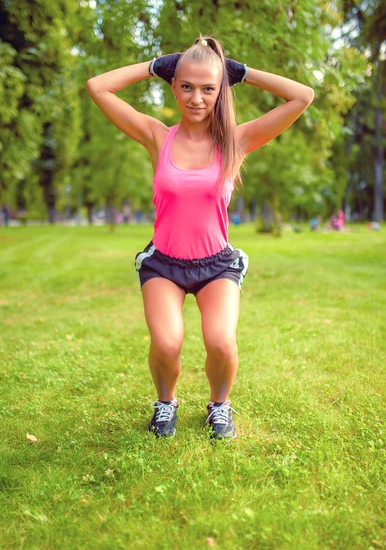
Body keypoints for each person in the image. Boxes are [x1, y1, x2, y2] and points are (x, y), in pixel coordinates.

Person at [86, 34, 314, 441]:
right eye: (186, 86)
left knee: (222, 342)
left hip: (216, 265)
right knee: (168, 342)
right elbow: (97, 86)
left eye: (209, 88)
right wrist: (156, 65)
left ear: (220, 89)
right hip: (165, 264)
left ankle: (219, 406)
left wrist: (240, 73)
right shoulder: (158, 136)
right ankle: (165, 402)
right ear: (173, 85)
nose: (196, 98)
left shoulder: (236, 141)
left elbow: (302, 96)